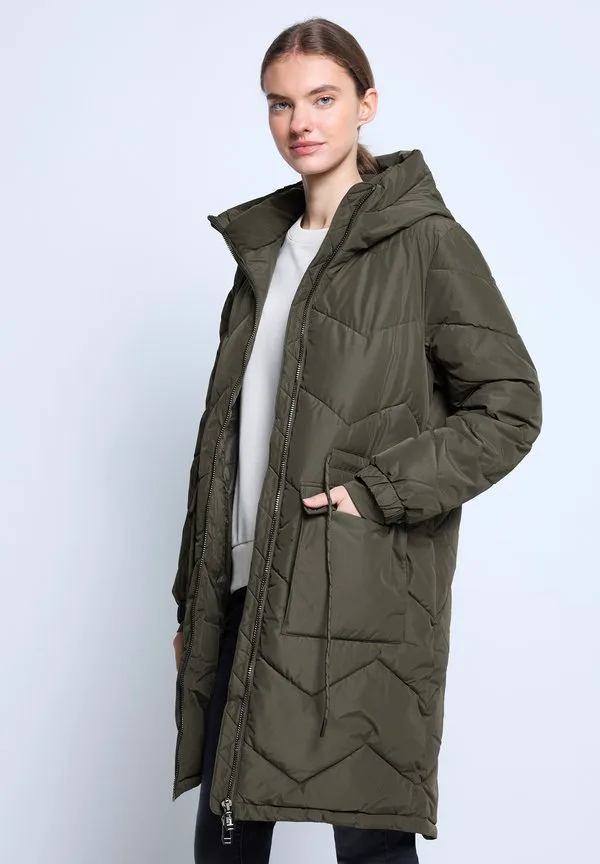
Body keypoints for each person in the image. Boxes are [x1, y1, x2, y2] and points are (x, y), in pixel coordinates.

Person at [171, 16, 543, 864]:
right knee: (226, 842)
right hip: (244, 590)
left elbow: (510, 407)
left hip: (361, 594)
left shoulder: (426, 244)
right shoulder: (261, 259)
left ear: (366, 105)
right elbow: (226, 445)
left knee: (372, 846)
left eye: (322, 98)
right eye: (280, 104)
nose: (300, 122)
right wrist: (195, 599)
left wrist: (374, 491)